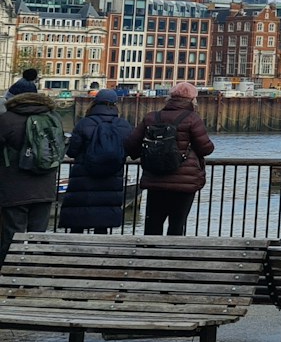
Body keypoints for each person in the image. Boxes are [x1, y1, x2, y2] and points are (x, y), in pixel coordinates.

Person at [125, 82, 215, 236]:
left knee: (153, 223)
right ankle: (172, 256)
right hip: (184, 182)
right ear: (193, 100)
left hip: (155, 179)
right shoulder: (192, 119)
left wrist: (151, 154)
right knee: (177, 225)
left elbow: (131, 145)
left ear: (169, 98)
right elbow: (206, 148)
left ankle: (150, 256)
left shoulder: (152, 117)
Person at [0, 86, 59, 263]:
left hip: (14, 188)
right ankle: (32, 276)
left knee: (12, 235)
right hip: (45, 188)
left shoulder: (7, 119)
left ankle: (8, 277)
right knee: (38, 236)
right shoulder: (52, 118)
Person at [62, 88, 132, 234]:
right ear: (115, 104)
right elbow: (128, 149)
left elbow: (72, 151)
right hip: (112, 177)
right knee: (103, 220)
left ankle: (73, 251)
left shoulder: (84, 123)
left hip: (84, 177)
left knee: (78, 218)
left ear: (95, 102)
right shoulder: (123, 125)